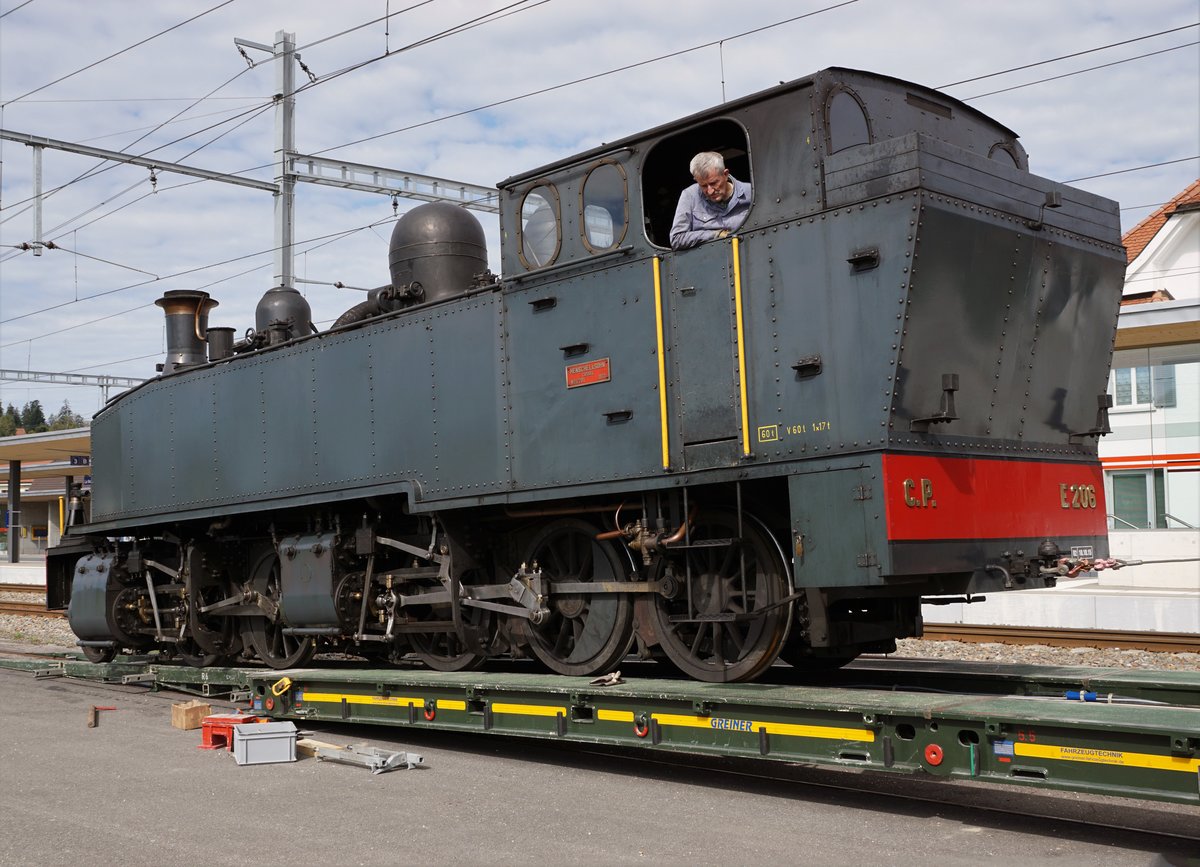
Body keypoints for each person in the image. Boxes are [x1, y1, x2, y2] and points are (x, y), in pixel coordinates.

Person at [669, 151, 752, 250]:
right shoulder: (689, 196)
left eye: (713, 183)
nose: (710, 191)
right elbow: (676, 239)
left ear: (725, 174)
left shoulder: (751, 193)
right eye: (703, 186)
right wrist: (714, 234)